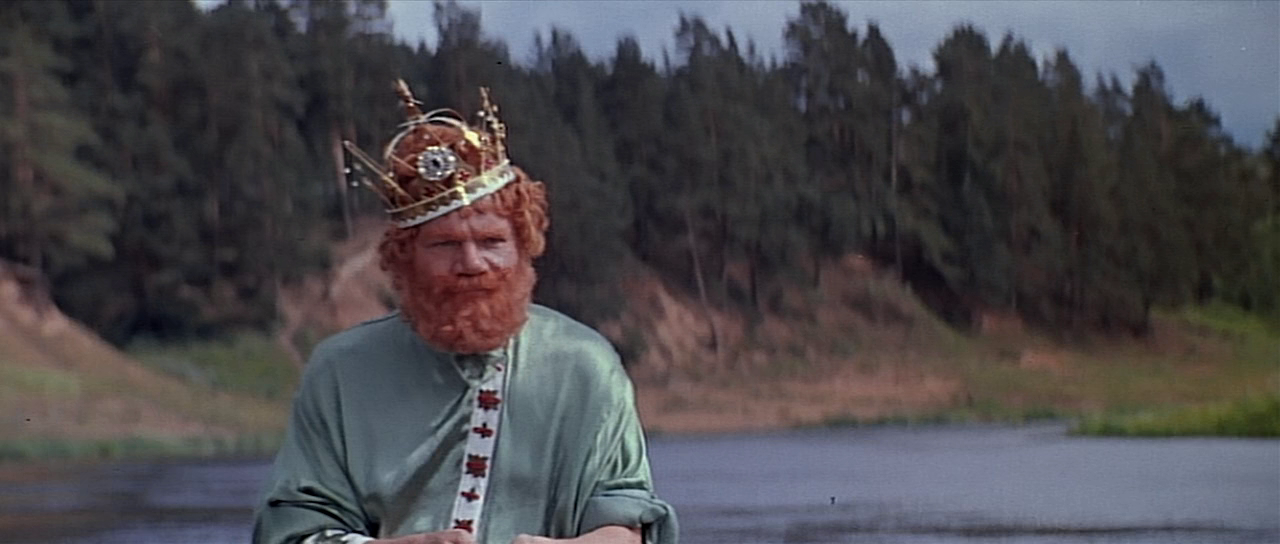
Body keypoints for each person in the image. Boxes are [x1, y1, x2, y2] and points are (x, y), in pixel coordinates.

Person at [252, 82, 677, 544]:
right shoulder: (341, 372)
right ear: (404, 257)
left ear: (523, 246)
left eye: (492, 242)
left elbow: (627, 520)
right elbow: (292, 531)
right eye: (445, 244)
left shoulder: (585, 365)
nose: (471, 263)